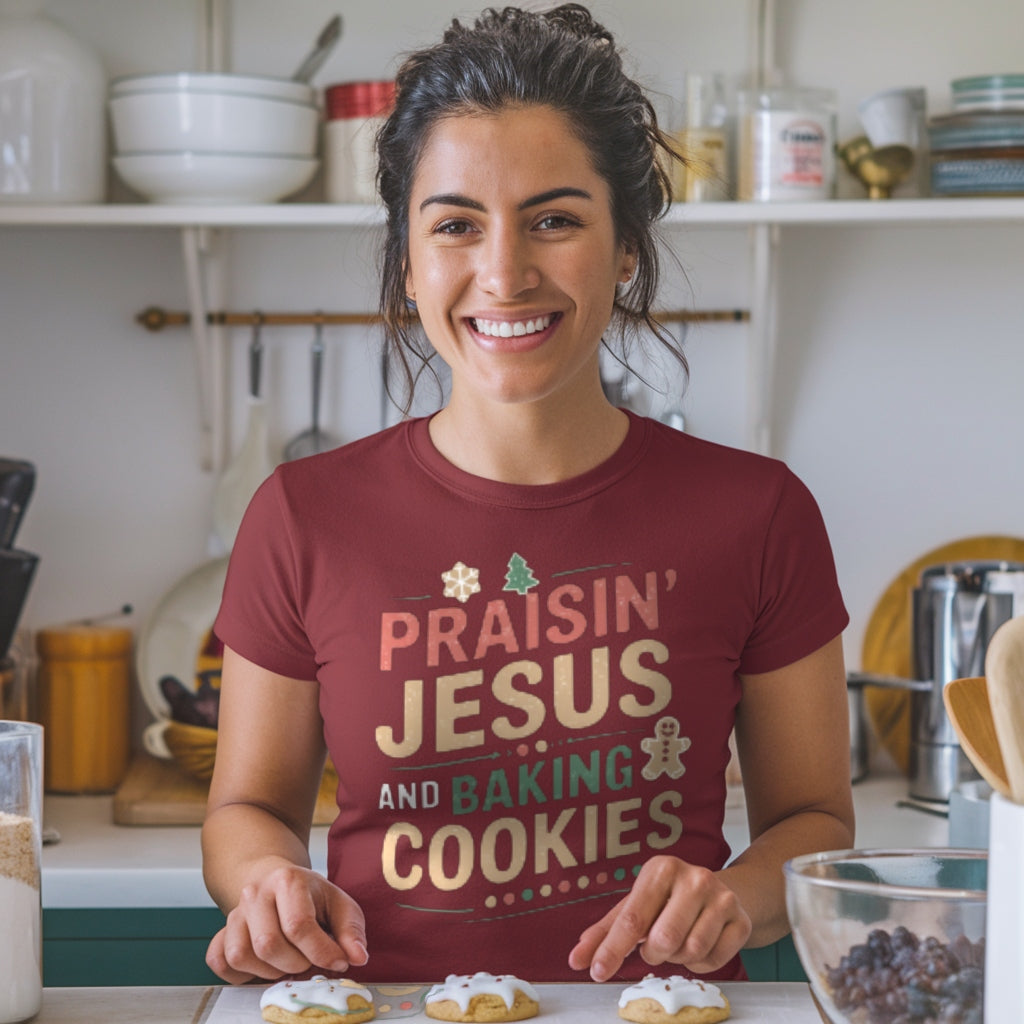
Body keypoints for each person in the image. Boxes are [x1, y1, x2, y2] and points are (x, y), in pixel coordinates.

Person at [201, 3, 854, 988]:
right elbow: (244, 808)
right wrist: (267, 884)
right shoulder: (302, 514)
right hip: (388, 1008)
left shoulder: (758, 513)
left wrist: (738, 897)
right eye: (456, 225)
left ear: (626, 246)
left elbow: (813, 823)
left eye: (554, 220)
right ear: (409, 263)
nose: (503, 273)